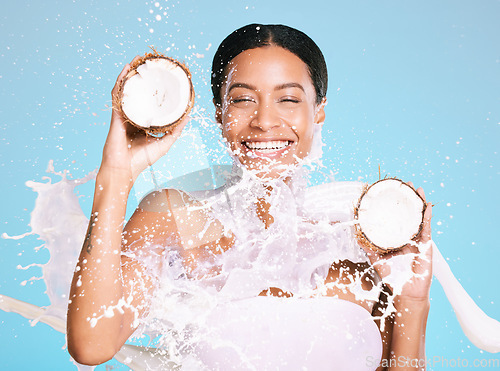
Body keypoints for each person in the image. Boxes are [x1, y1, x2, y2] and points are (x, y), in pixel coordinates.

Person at [67, 24, 433, 370]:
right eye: (242, 100)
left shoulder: (362, 236)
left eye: (288, 99)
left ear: (318, 110)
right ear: (219, 112)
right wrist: (116, 177)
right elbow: (92, 344)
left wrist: (412, 301)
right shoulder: (175, 219)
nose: (264, 120)